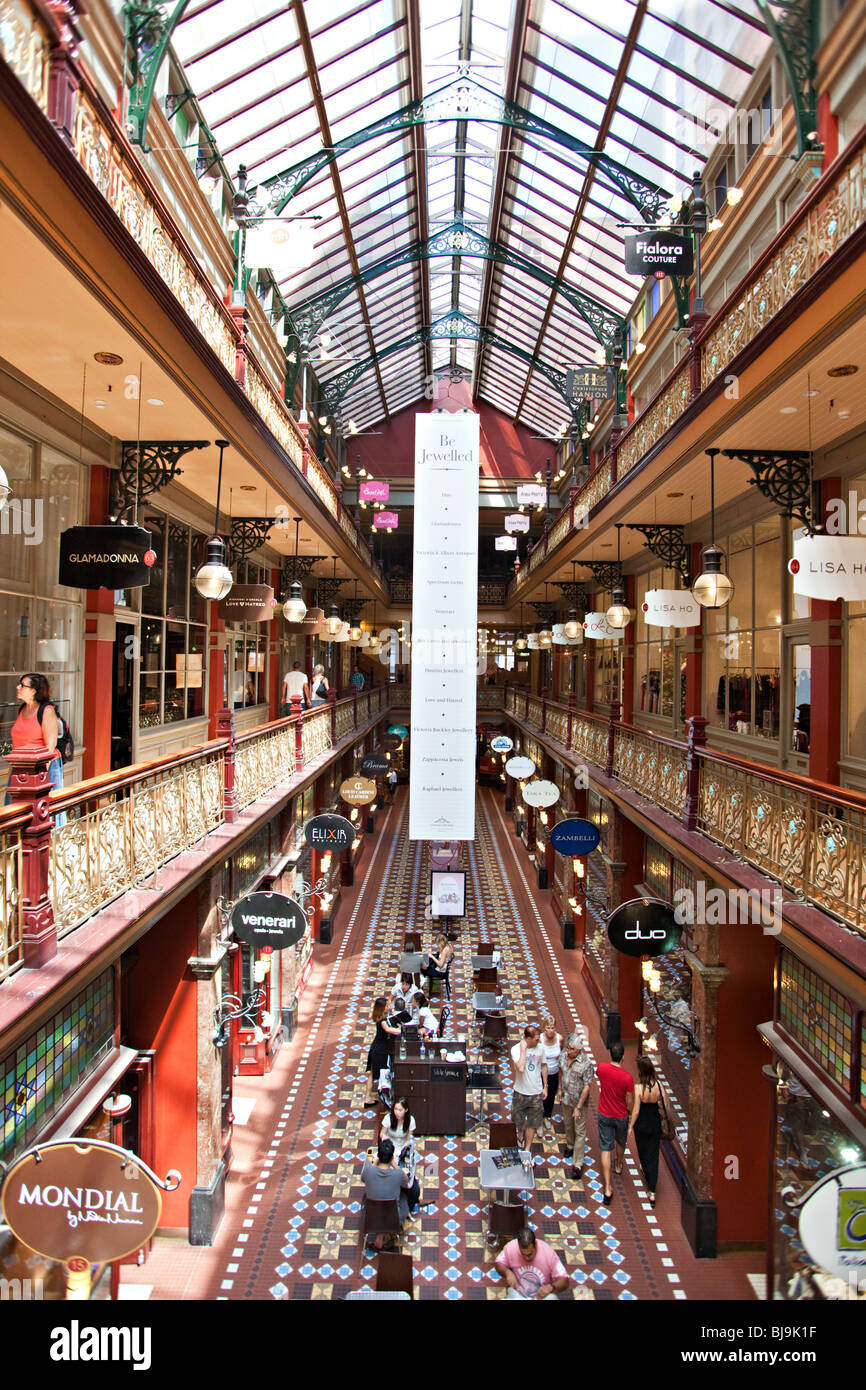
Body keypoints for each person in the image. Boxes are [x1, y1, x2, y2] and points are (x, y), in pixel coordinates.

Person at [7, 675, 65, 817]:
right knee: (14, 812)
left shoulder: (46, 710)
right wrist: (10, 775)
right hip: (20, 769)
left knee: (45, 813)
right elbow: (17, 746)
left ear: (33, 690)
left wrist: (39, 780)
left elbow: (50, 747)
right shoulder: (22, 709)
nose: (18, 687)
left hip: (44, 770)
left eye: (22, 685)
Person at [596, 1040, 634, 1206]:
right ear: (623, 1058)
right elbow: (630, 1100)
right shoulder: (627, 1078)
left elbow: (598, 1074)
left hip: (604, 1112)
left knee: (605, 1147)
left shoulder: (602, 1068)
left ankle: (608, 1187)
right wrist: (630, 1113)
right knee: (620, 1140)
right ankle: (618, 1164)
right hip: (620, 1115)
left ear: (611, 1054)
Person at [494, 1226, 570, 1301]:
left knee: (552, 1298)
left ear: (536, 1245)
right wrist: (507, 1272)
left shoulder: (549, 1253)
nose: (527, 1258)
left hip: (541, 1296)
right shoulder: (511, 1247)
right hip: (518, 1294)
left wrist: (551, 1287)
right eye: (523, 1254)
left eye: (530, 1254)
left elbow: (565, 1280)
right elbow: (498, 1263)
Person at [360, 1138, 413, 1244]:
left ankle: (381, 1234)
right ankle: (386, 1233)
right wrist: (394, 1164)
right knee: (404, 1197)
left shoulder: (368, 1171)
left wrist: (374, 1163)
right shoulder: (398, 1174)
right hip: (393, 1221)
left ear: (378, 1156)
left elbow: (363, 1178)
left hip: (371, 1219)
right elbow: (406, 1182)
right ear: (392, 1157)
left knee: (366, 1195)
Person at [559, 1031, 595, 1180]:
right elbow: (561, 1071)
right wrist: (560, 1089)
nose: (569, 1051)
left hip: (578, 1101)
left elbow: (587, 1086)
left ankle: (578, 1163)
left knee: (579, 1130)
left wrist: (579, 1107)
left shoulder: (586, 1064)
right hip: (566, 1098)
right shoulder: (563, 1055)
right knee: (567, 1123)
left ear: (579, 1049)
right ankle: (570, 1145)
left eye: (572, 1049)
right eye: (568, 1048)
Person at [628, 1055, 663, 1206]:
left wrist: (630, 1126)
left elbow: (635, 1111)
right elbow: (664, 1105)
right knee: (654, 1154)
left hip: (641, 1124)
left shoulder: (638, 1088)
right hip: (655, 1123)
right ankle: (652, 1191)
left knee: (643, 1150)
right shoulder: (659, 1086)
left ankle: (645, 1168)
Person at [510, 1024, 547, 1153]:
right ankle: (520, 1133)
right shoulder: (516, 1049)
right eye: (536, 1039)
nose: (539, 1041)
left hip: (536, 1092)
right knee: (518, 1120)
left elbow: (543, 1066)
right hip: (520, 1092)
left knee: (533, 1123)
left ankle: (527, 1149)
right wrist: (523, 1050)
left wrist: (545, 1086)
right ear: (528, 1038)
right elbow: (520, 1068)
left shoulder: (541, 1048)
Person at [363, 997, 402, 1107]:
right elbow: (388, 1030)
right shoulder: (383, 1020)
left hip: (375, 1047)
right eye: (387, 1006)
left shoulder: (379, 1016)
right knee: (382, 1074)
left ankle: (367, 1097)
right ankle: (384, 1099)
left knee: (371, 1073)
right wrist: (402, 1031)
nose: (389, 1007)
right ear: (383, 1008)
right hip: (380, 1050)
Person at [539, 1015, 562, 1139]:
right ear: (544, 1028)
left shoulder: (559, 1039)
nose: (551, 1030)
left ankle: (547, 1116)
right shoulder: (540, 1040)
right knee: (540, 1097)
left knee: (551, 1097)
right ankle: (538, 1121)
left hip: (554, 1072)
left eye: (553, 1028)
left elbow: (562, 1054)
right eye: (548, 1027)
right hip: (541, 1073)